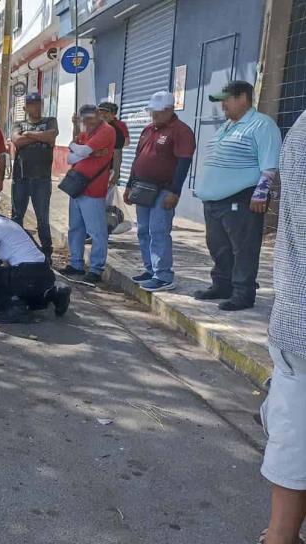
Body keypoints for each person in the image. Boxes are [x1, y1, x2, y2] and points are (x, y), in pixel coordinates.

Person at [193, 81, 282, 311]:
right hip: (214, 202)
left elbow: (270, 165)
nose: (223, 106)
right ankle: (222, 285)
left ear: (243, 97)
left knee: (243, 248)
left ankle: (243, 294)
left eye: (227, 100)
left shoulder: (261, 125)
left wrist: (261, 194)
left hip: (240, 199)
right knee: (218, 246)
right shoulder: (228, 126)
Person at [259, 111, 306, 544]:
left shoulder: (298, 127)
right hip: (298, 321)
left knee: (294, 433)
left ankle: (280, 535)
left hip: (296, 319)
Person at [123, 91, 196, 292]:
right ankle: (150, 269)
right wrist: (130, 185)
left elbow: (183, 162)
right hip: (142, 188)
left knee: (158, 231)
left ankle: (163, 275)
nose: (153, 115)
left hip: (164, 189)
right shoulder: (148, 130)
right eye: (152, 112)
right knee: (143, 230)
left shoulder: (181, 131)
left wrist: (175, 191)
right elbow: (138, 159)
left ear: (170, 110)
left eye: (158, 112)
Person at [58, 105, 116, 284]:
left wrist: (82, 152)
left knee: (96, 231)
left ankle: (96, 269)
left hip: (93, 189)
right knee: (75, 228)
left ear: (99, 116)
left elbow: (80, 151)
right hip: (77, 187)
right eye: (85, 120)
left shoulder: (106, 131)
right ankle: (76, 264)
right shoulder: (87, 132)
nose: (88, 123)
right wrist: (85, 152)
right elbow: (70, 156)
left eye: (91, 119)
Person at [10, 92, 58, 256]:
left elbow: (51, 136)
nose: (36, 107)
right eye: (32, 104)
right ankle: (17, 250)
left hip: (42, 179)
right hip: (21, 178)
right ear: (25, 108)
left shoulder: (50, 121)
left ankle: (46, 253)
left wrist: (29, 134)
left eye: (38, 103)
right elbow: (16, 141)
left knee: (42, 219)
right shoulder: (18, 124)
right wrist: (41, 138)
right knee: (17, 217)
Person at [97, 101, 128, 186]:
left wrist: (114, 176)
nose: (102, 115)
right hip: (94, 171)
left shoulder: (116, 131)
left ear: (113, 114)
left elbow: (117, 155)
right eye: (100, 112)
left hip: (107, 173)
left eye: (106, 112)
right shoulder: (96, 128)